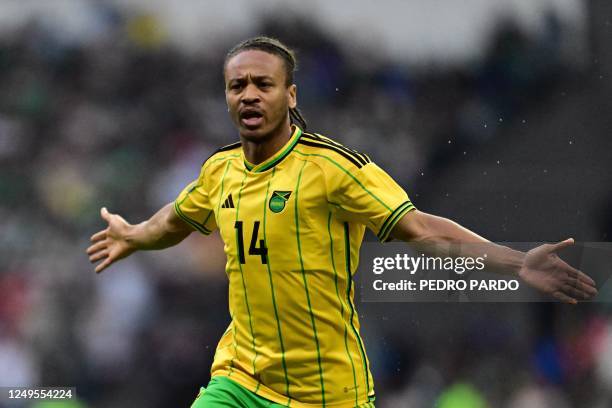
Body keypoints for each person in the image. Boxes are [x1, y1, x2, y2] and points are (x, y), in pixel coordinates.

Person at [86, 37, 598, 408]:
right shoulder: (219, 170)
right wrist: (134, 235)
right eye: (236, 85)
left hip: (329, 392)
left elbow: (421, 229)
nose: (248, 94)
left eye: (263, 84)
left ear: (290, 95)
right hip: (241, 379)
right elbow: (177, 217)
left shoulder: (331, 169)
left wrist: (512, 260)